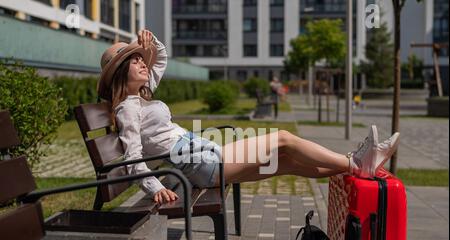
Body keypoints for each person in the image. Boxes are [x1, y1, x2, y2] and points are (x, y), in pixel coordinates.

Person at [97, 29, 401, 205]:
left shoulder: (142, 96)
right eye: (133, 60)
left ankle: (355, 168)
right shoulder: (128, 108)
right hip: (199, 163)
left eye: (139, 58)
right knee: (283, 139)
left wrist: (149, 43)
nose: (142, 62)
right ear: (121, 72)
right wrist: (154, 188)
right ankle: (356, 163)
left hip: (203, 157)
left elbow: (160, 57)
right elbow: (132, 158)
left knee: (288, 164)